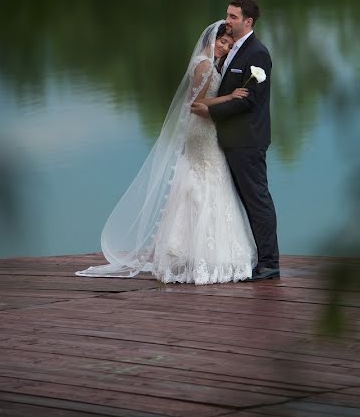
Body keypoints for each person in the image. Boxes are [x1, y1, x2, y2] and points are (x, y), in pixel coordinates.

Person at [76, 21, 258, 284]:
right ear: (211, 40)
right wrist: (230, 98)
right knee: (206, 183)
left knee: (203, 183)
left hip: (205, 130)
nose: (225, 48)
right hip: (202, 131)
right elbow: (195, 104)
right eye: (222, 42)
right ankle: (202, 255)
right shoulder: (205, 65)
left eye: (229, 45)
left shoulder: (206, 62)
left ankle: (196, 252)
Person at [191, 0, 280, 281]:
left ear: (248, 21)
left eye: (232, 16)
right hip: (227, 139)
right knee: (239, 200)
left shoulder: (258, 54)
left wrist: (210, 111)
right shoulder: (228, 51)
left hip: (248, 139)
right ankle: (252, 257)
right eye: (227, 15)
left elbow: (251, 101)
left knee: (257, 200)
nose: (227, 21)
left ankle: (269, 262)